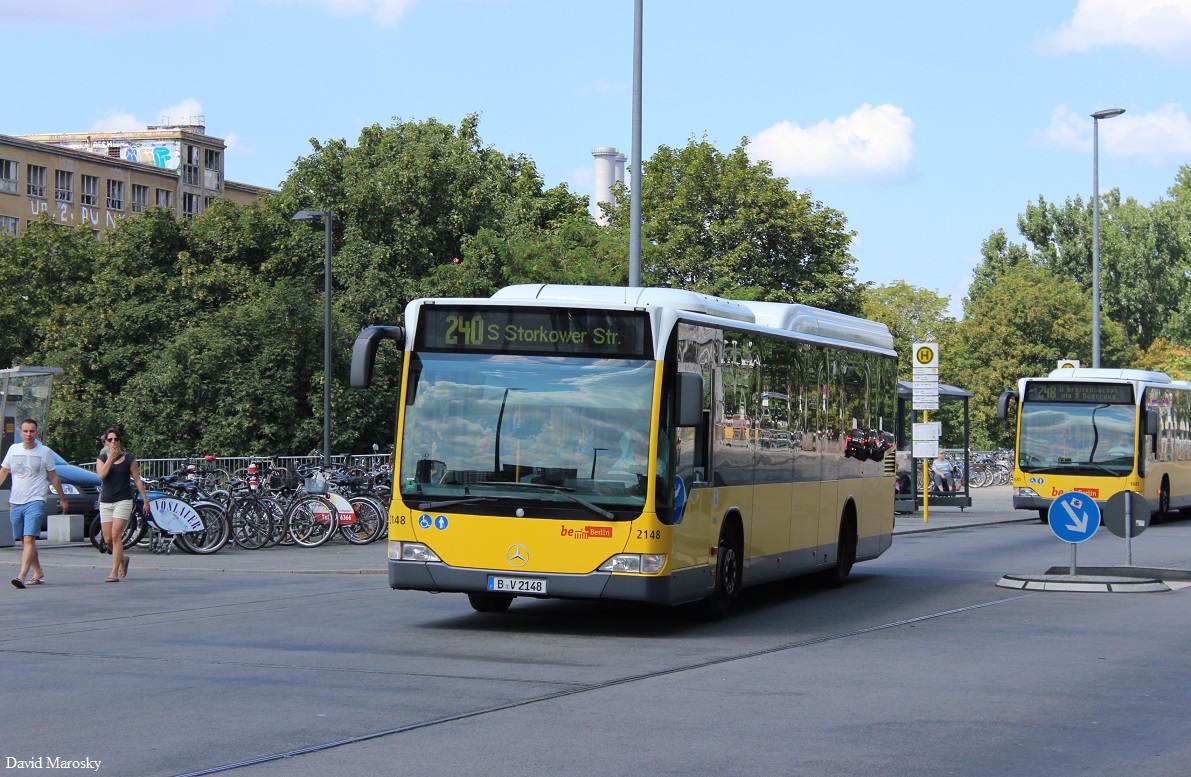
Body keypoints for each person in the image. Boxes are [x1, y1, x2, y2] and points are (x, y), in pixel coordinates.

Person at [2, 419, 69, 589]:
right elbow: (4, 471)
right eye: (25, 431)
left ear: (36, 433)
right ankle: (38, 571)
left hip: (36, 500)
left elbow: (53, 476)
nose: (28, 434)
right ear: (21, 433)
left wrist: (63, 498)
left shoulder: (44, 452)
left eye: (32, 431)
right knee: (24, 540)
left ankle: (21, 576)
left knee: (29, 538)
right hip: (16, 500)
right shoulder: (13, 449)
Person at [95, 429, 152, 583]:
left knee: (116, 535)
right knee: (107, 540)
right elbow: (101, 475)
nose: (113, 442)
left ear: (120, 441)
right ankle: (123, 559)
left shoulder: (129, 459)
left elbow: (137, 480)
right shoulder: (102, 458)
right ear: (106, 442)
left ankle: (114, 572)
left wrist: (145, 500)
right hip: (106, 501)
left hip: (123, 500)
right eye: (110, 440)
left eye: (116, 439)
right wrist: (110, 459)